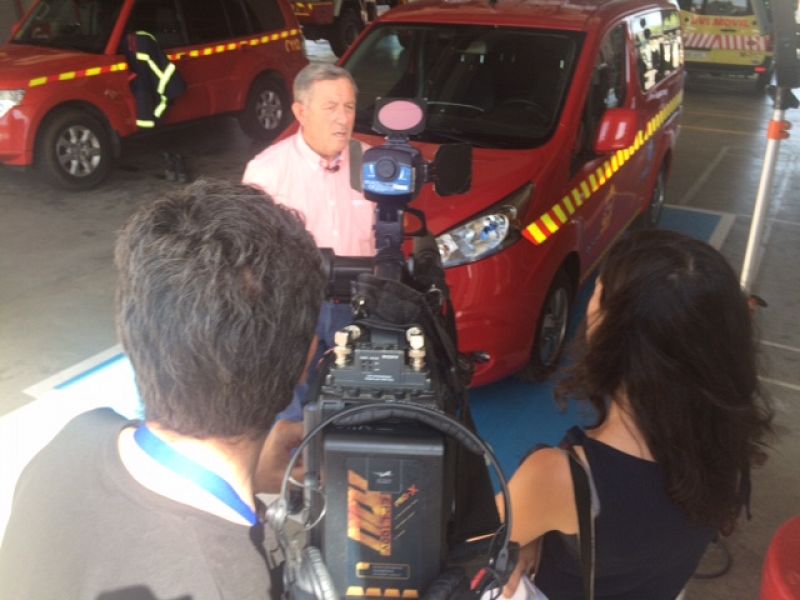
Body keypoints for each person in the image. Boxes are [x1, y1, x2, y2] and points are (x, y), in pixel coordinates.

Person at [0, 180, 325, 600]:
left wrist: (255, 472)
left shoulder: (73, 441)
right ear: (307, 359)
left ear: (134, 328)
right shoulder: (239, 584)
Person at [500, 229, 773, 600]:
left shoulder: (562, 478)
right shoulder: (727, 440)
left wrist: (518, 543)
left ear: (612, 336)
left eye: (598, 295)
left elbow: (473, 543)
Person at [243, 62, 374, 421]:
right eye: (330, 107)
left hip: (360, 304)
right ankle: (294, 470)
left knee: (360, 399)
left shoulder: (369, 161)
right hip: (296, 308)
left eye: (349, 106)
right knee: (291, 407)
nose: (343, 118)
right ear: (301, 112)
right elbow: (251, 256)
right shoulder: (267, 171)